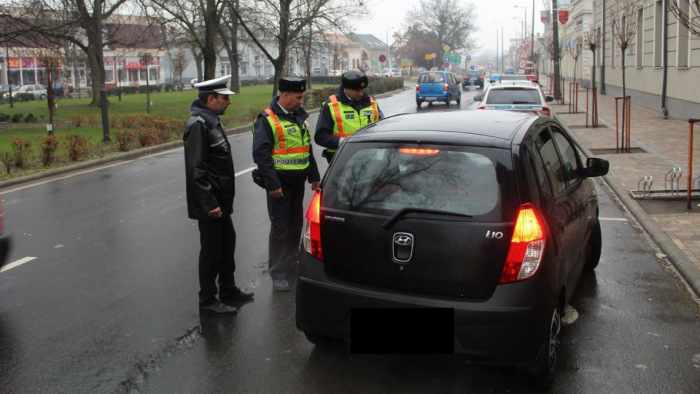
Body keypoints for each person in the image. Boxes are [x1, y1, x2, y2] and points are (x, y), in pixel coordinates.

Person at [183, 75, 254, 315]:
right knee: (211, 252)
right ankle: (208, 300)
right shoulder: (198, 126)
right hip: (211, 203)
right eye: (225, 98)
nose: (229, 102)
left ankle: (228, 289)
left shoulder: (212, 121)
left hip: (221, 201)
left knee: (226, 246)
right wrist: (208, 204)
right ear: (210, 99)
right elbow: (196, 170)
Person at [252, 77, 321, 292]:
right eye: (298, 97)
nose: (302, 101)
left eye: (302, 97)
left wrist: (314, 175)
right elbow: (261, 155)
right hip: (279, 186)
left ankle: (292, 265)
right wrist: (273, 185)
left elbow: (306, 149)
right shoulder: (268, 119)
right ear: (285, 95)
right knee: (280, 228)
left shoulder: (299, 117)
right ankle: (278, 272)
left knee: (295, 226)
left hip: (297, 183)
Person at [314, 70, 385, 163]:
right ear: (346, 88)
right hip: (342, 160)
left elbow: (383, 127)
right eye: (357, 90)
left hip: (370, 160)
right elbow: (320, 137)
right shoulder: (331, 105)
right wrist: (344, 142)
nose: (361, 93)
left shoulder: (372, 102)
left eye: (363, 89)